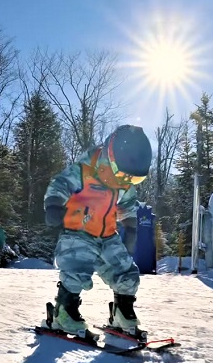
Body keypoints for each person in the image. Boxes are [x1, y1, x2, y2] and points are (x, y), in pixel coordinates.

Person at [43, 124, 151, 340]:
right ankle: (63, 313)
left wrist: (130, 228)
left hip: (107, 235)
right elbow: (60, 184)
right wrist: (54, 204)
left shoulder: (123, 182)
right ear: (110, 157)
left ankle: (122, 313)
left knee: (126, 272)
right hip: (78, 232)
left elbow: (128, 204)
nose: (127, 181)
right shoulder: (83, 171)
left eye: (135, 179)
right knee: (77, 270)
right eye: (125, 175)